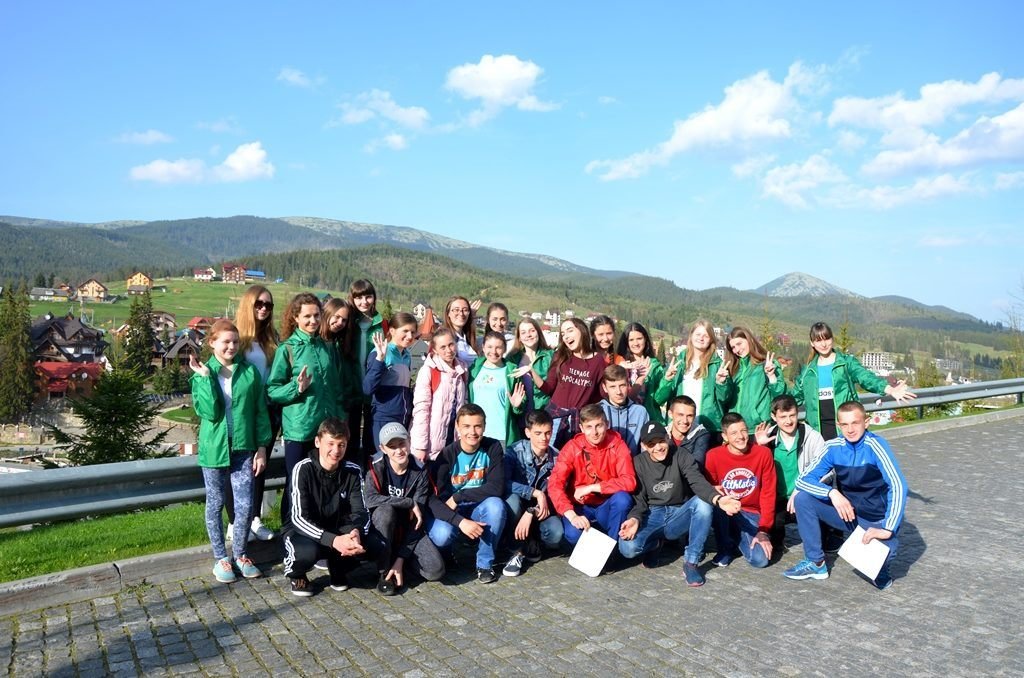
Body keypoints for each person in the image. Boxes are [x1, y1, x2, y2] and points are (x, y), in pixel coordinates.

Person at [783, 401, 908, 590]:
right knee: (803, 499)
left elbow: (898, 485)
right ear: (838, 425)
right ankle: (815, 562)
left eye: (855, 423)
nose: (850, 430)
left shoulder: (876, 445)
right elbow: (803, 480)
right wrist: (831, 493)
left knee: (883, 563)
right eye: (845, 424)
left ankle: (879, 566)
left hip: (875, 520)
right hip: (848, 514)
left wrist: (888, 528)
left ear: (866, 422)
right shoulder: (832, 447)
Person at [190, 319, 271, 583]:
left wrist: (261, 447)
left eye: (235, 342)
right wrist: (205, 379)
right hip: (215, 449)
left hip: (243, 447)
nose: (231, 347)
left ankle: (240, 554)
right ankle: (220, 558)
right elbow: (209, 412)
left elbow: (260, 411)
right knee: (215, 503)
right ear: (212, 342)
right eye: (225, 342)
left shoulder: (249, 372)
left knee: (245, 504)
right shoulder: (203, 373)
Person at [618, 422, 741, 586]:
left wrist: (718, 499)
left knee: (703, 503)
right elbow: (639, 500)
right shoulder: (638, 463)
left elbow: (697, 481)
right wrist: (634, 519)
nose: (658, 447)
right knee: (627, 548)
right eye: (651, 444)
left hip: (679, 512)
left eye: (661, 441)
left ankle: (691, 562)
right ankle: (655, 544)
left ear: (668, 438)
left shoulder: (681, 455)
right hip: (653, 513)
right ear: (644, 446)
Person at [267, 293, 346, 523]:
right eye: (307, 316)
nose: (313, 321)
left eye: (317, 315)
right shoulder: (288, 349)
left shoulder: (327, 347)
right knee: (296, 483)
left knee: (322, 484)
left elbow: (336, 389)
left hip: (325, 430)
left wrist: (340, 422)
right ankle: (288, 529)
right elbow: (273, 390)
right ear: (296, 318)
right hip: (300, 428)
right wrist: (296, 387)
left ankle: (316, 529)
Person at [283, 417, 380, 597]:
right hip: (303, 531)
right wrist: (334, 541)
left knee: (375, 543)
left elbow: (361, 511)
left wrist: (356, 532)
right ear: (317, 442)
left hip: (337, 528)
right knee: (307, 552)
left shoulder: (353, 471)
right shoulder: (302, 469)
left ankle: (338, 568)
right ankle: (296, 574)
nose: (336, 451)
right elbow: (298, 518)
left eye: (341, 445)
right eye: (331, 444)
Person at [426, 404, 508, 583]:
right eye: (467, 426)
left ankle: (484, 564)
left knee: (496, 506)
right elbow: (434, 499)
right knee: (441, 534)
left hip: (478, 506)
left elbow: (496, 487)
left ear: (484, 427)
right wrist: (459, 521)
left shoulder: (493, 447)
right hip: (452, 510)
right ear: (457, 427)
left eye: (477, 426)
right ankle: (447, 555)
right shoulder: (446, 455)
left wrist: (459, 496)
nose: (472, 432)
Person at [793, 322, 916, 440]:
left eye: (827, 339)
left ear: (832, 339)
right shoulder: (807, 372)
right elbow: (793, 399)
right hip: (817, 435)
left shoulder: (846, 363)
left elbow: (865, 377)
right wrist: (778, 380)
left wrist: (889, 389)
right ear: (812, 343)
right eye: (818, 340)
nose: (824, 344)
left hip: (846, 430)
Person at [364, 422, 445, 595]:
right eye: (392, 447)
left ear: (409, 441)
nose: (399, 450)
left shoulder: (420, 470)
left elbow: (418, 519)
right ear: (383, 449)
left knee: (436, 571)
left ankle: (400, 563)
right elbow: (369, 499)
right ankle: (384, 572)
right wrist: (408, 502)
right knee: (386, 511)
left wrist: (401, 558)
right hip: (381, 528)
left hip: (408, 529)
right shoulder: (375, 465)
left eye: (401, 443)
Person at [228, 284, 280, 543]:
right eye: (259, 304)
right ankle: (235, 522)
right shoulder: (237, 338)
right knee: (239, 468)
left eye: (268, 305)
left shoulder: (272, 338)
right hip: (243, 413)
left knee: (260, 467)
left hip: (268, 411)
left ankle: (254, 519)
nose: (264, 308)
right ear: (248, 305)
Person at [547, 404, 636, 549]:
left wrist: (592, 488)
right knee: (573, 534)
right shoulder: (572, 447)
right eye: (589, 427)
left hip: (607, 504)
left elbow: (629, 481)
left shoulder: (618, 445)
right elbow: (554, 484)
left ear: (607, 424)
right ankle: (594, 549)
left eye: (598, 426)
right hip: (580, 506)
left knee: (623, 499)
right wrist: (572, 515)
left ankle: (612, 551)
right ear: (581, 428)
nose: (594, 432)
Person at [754, 395, 828, 552]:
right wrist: (760, 448)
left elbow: (827, 470)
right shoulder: (768, 438)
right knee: (772, 542)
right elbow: (754, 472)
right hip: (777, 498)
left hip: (804, 495)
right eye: (783, 417)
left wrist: (802, 488)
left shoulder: (813, 437)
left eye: (792, 415)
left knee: (821, 540)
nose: (788, 421)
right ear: (774, 417)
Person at [704, 412, 777, 569]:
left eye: (743, 430)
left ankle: (737, 538)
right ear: (725, 436)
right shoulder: (713, 455)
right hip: (726, 511)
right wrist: (714, 492)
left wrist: (763, 530)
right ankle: (725, 548)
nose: (741, 436)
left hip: (751, 513)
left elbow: (768, 494)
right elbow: (710, 490)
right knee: (717, 504)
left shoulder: (763, 453)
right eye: (734, 433)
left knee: (760, 560)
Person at [502, 410, 564, 577]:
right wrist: (536, 493)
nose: (544, 438)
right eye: (538, 433)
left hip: (540, 510)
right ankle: (515, 548)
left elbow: (558, 493)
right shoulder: (514, 452)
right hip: (518, 504)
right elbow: (504, 483)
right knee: (512, 502)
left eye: (547, 433)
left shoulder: (557, 457)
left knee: (556, 533)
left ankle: (532, 540)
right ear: (528, 432)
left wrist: (533, 510)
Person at [533, 318, 606, 447]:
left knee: (575, 456)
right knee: (551, 455)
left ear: (582, 330)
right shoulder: (560, 356)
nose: (566, 336)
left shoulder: (598, 361)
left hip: (579, 420)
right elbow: (549, 388)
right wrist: (531, 372)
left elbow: (600, 394)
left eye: (570, 331)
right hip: (555, 417)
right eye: (563, 334)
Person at [654, 320, 730, 442]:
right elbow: (659, 399)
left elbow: (725, 399)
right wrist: (667, 380)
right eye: (698, 334)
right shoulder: (678, 363)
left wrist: (721, 383)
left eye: (705, 336)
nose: (701, 338)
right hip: (679, 426)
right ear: (691, 336)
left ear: (711, 339)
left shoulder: (717, 365)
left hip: (708, 426)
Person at [410, 328, 468, 464]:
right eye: (443, 347)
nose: (448, 350)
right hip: (431, 442)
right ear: (435, 350)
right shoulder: (429, 371)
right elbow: (421, 409)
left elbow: (463, 404)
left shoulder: (462, 370)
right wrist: (420, 446)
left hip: (453, 438)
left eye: (451, 344)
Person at [363, 312, 418, 449]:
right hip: (384, 418)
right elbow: (368, 388)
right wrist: (379, 360)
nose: (410, 336)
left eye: (413, 332)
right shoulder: (380, 353)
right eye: (405, 331)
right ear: (392, 331)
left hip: (403, 417)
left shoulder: (407, 355)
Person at [321, 297, 365, 465]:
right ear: (327, 314)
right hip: (324, 410)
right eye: (337, 317)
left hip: (343, 408)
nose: (340, 323)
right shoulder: (318, 343)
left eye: (344, 320)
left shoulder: (340, 344)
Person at [349, 279, 388, 463]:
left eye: (368, 296)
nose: (364, 302)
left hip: (375, 391)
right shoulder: (348, 322)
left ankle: (370, 475)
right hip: (351, 389)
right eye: (359, 297)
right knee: (350, 439)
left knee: (372, 440)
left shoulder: (383, 325)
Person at [468, 331, 527, 447]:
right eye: (489, 347)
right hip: (475, 433)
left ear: (504, 349)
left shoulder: (512, 371)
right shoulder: (474, 368)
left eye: (498, 348)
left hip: (501, 435)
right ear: (483, 347)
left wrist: (517, 406)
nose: (493, 352)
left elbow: (520, 404)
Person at [723, 326, 785, 428]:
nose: (737, 350)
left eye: (739, 344)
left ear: (749, 340)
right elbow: (724, 399)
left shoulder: (767, 364)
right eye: (733, 347)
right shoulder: (733, 369)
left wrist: (771, 376)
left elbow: (780, 396)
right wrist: (721, 383)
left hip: (759, 427)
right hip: (736, 428)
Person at [614, 322, 665, 424]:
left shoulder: (655, 366)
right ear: (626, 342)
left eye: (639, 338)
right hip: (625, 419)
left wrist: (667, 380)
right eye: (631, 340)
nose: (636, 343)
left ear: (645, 339)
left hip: (649, 418)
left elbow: (659, 399)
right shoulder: (620, 363)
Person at [599, 363, 649, 455]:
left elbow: (646, 448)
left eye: (622, 385)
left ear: (628, 384)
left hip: (633, 462)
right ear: (605, 388)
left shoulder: (640, 412)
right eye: (612, 387)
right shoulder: (598, 411)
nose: (618, 392)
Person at [507, 317, 553, 415]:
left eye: (532, 331)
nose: (528, 335)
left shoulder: (550, 356)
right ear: (519, 338)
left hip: (545, 415)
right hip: (520, 415)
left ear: (538, 333)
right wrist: (516, 407)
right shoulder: (512, 360)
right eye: (523, 332)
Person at [666, 396, 712, 468]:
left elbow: (696, 466)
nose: (685, 421)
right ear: (670, 414)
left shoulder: (701, 435)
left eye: (689, 416)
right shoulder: (662, 433)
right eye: (680, 415)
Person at [443, 295, 478, 368]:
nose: (461, 313)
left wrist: (473, 317)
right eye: (456, 310)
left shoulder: (467, 339)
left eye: (465, 310)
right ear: (448, 313)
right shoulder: (443, 338)